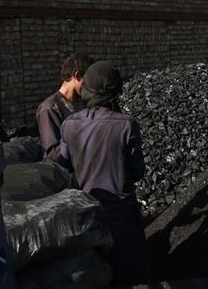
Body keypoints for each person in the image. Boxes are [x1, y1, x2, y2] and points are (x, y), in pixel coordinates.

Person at [58, 60, 150, 285]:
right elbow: (138, 171)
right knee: (131, 276)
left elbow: (63, 165)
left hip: (86, 219)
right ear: (115, 91)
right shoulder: (126, 125)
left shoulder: (69, 124)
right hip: (123, 219)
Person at [36, 52, 94, 160]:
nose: (90, 87)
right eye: (88, 81)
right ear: (77, 76)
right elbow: (54, 154)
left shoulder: (83, 102)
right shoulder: (49, 109)